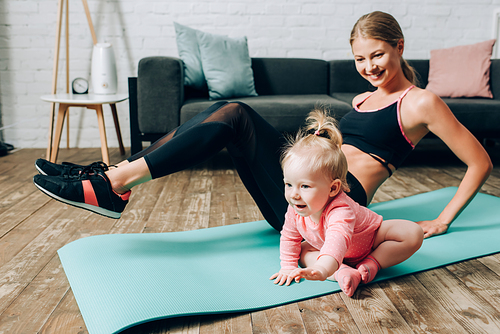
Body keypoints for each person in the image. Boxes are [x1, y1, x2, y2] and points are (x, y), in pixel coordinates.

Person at [33, 11, 492, 238]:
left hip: (335, 209)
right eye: (360, 58)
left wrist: (442, 221)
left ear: (398, 47)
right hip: (300, 192)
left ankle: (113, 184)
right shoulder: (363, 97)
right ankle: (109, 179)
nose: (369, 66)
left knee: (234, 114)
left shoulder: (421, 102)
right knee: (224, 116)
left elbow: (479, 162)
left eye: (378, 55)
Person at [269, 109, 423, 297]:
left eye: (305, 186)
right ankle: (343, 272)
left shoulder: (341, 208)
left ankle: (373, 263)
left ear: (333, 188)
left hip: (371, 241)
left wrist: (323, 269)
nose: (294, 194)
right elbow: (289, 237)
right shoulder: (295, 208)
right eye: (289, 184)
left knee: (412, 232)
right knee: (300, 252)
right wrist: (287, 266)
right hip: (333, 254)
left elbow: (337, 238)